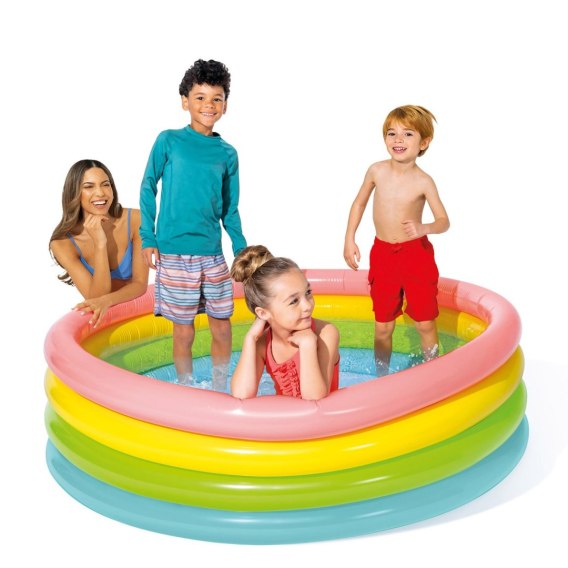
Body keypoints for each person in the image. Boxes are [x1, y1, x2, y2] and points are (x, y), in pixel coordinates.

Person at [139, 59, 246, 389]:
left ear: (225, 105)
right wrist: (147, 237)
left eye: (216, 98)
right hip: (174, 253)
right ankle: (185, 388)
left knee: (222, 326)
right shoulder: (168, 141)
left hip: (212, 254)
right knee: (183, 331)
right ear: (185, 101)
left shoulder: (227, 153)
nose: (208, 105)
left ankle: (220, 387)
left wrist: (241, 249)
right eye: (200, 97)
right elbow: (148, 186)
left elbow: (230, 209)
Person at [343, 105, 450, 376]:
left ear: (424, 142)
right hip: (383, 254)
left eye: (408, 134)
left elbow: (444, 221)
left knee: (425, 323)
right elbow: (359, 203)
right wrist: (349, 238)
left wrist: (424, 227)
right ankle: (381, 375)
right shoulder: (376, 171)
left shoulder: (424, 181)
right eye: (392, 133)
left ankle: (433, 373)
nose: (398, 140)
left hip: (416, 255)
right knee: (383, 326)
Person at [230, 245, 340, 400]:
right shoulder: (263, 344)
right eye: (294, 301)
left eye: (308, 292)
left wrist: (307, 345)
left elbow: (315, 399)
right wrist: (250, 339)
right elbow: (241, 394)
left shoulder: (326, 334)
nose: (307, 306)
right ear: (263, 313)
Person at [49, 159, 148, 327]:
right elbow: (94, 297)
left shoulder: (136, 220)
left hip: (139, 313)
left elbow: (140, 284)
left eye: (105, 185)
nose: (101, 193)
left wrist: (107, 301)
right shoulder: (62, 243)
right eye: (89, 187)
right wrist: (100, 244)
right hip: (106, 324)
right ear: (74, 193)